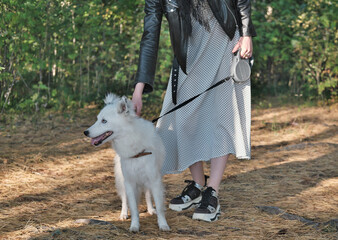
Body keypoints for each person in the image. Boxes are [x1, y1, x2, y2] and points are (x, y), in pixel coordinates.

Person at [132, 0, 256, 222]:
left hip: (225, 38)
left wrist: (246, 32)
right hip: (189, 48)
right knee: (180, 116)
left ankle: (212, 192)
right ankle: (198, 184)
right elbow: (150, 34)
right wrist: (139, 88)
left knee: (222, 116)